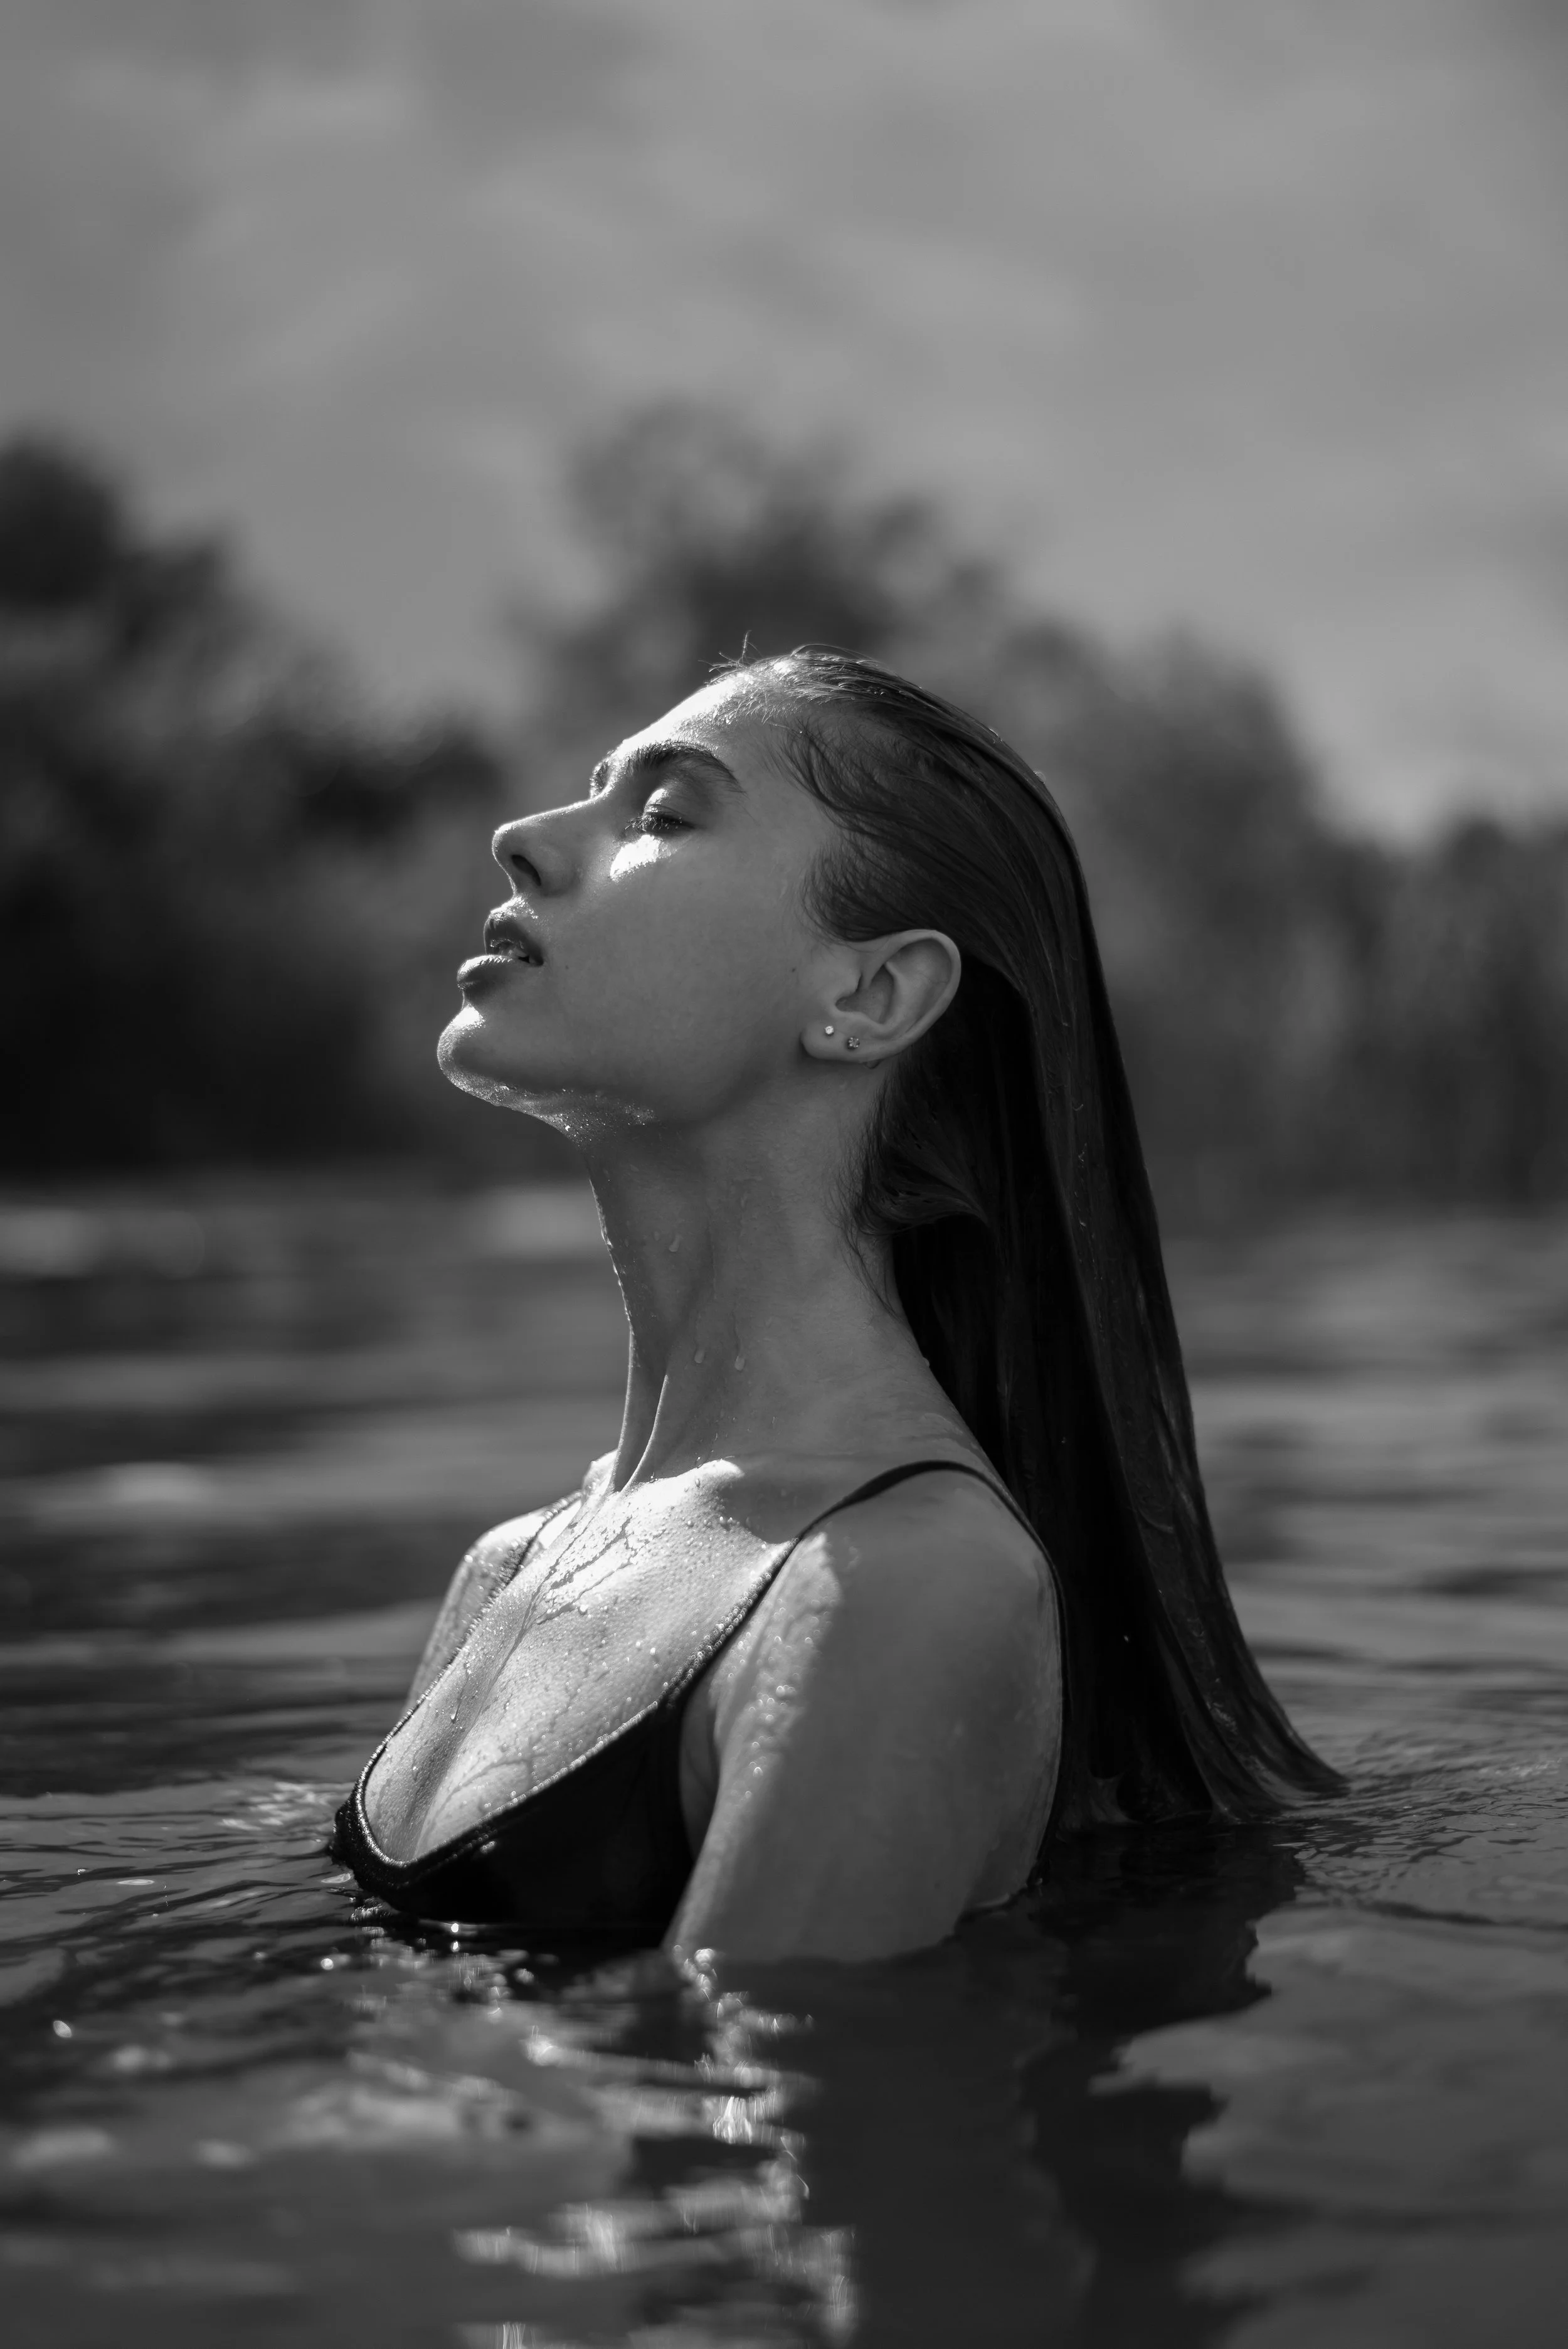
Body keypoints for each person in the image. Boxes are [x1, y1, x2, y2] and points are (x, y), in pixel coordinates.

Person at [334, 649, 1336, 1960]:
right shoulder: (506, 1570)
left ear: (868, 997)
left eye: (663, 815)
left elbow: (771, 2121)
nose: (520, 841)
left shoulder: (895, 1586)